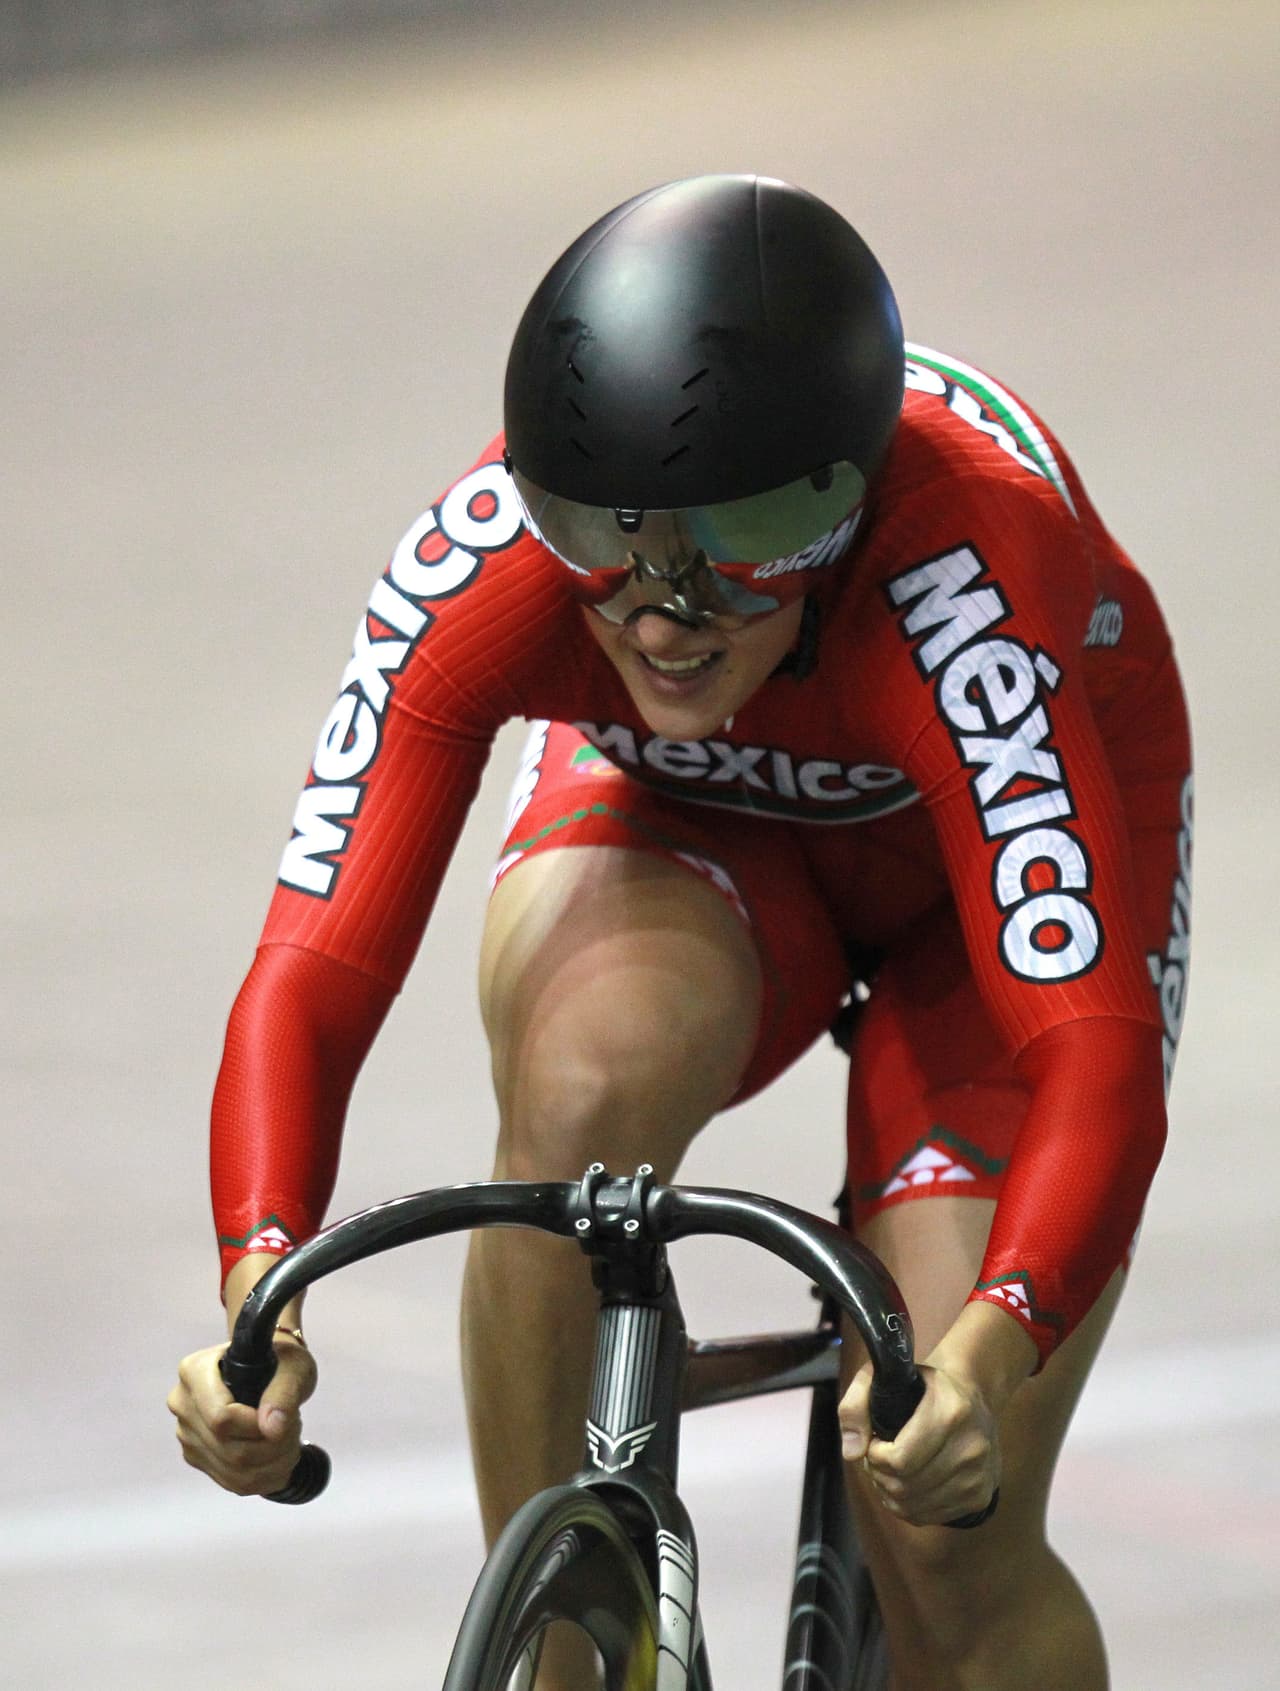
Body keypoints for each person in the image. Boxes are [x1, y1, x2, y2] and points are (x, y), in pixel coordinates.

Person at [168, 173, 1192, 1689]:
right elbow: (310, 970)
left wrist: (992, 1342)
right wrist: (259, 1283)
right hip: (693, 827)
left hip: (980, 901)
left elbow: (1091, 1051)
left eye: (748, 536)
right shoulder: (493, 564)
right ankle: (572, 1650)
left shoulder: (961, 574)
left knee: (942, 1526)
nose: (664, 610)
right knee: (580, 1094)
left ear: (845, 497)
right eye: (610, 531)